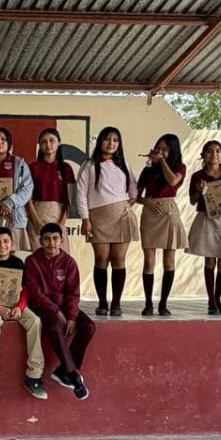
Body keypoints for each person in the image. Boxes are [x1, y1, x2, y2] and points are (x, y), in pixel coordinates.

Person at [0, 227, 47, 400]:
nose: (2, 245)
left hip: (15, 305)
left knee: (35, 321)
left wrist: (20, 307)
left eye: (6, 241)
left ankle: (34, 375)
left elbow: (25, 290)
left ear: (12, 244)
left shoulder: (18, 263)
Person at [24, 222, 93, 400]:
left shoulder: (69, 262)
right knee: (55, 327)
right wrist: (56, 311)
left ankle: (63, 370)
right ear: (40, 241)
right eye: (47, 239)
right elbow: (35, 293)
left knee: (89, 326)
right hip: (42, 307)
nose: (51, 243)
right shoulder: (32, 261)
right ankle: (73, 375)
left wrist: (72, 316)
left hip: (64, 307)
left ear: (62, 240)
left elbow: (73, 293)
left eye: (55, 239)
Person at [75, 126, 138, 317]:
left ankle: (116, 303)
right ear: (100, 141)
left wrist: (130, 200)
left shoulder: (123, 164)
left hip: (121, 215)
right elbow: (80, 193)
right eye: (107, 139)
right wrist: (85, 219)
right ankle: (102, 301)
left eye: (115, 140)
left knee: (118, 260)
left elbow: (132, 184)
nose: (111, 143)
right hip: (98, 217)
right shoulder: (89, 165)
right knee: (101, 259)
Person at [186, 140, 221, 315]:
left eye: (217, 151)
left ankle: (218, 299)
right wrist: (199, 190)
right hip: (206, 219)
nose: (214, 154)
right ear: (203, 155)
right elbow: (192, 201)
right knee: (210, 260)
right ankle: (211, 301)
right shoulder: (197, 176)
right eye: (209, 151)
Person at [137, 133, 187, 317]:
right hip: (150, 212)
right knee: (149, 259)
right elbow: (136, 196)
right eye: (158, 148)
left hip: (169, 211)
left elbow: (173, 181)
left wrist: (162, 162)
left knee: (169, 259)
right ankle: (148, 303)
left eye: (165, 149)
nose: (160, 152)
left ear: (172, 151)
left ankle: (163, 303)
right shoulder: (148, 170)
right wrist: (147, 202)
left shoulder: (179, 167)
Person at [25, 127, 75, 252]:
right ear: (40, 145)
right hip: (38, 213)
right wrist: (36, 221)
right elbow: (28, 199)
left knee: (60, 256)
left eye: (52, 140)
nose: (48, 145)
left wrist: (62, 222)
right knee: (39, 256)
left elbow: (68, 199)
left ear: (59, 143)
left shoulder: (66, 168)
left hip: (58, 214)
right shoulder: (33, 168)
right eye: (44, 141)